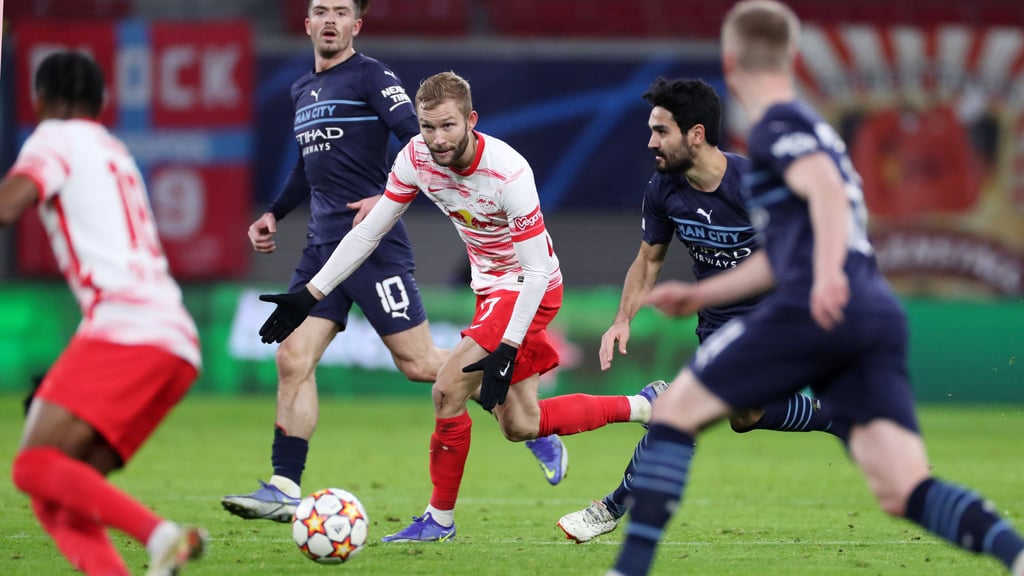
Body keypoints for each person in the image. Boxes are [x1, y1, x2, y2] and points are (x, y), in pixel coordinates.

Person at [607, 2, 1024, 575]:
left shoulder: (779, 125)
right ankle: (1015, 554)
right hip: (873, 309)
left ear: (732, 60)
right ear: (791, 57)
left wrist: (825, 275)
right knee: (902, 487)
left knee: (675, 410)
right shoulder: (815, 129)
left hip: (814, 304)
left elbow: (826, 194)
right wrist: (701, 297)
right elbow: (789, 245)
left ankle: (626, 569)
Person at [257, 70, 667, 543]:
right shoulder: (415, 158)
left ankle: (439, 520)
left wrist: (509, 347)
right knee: (519, 424)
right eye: (427, 126)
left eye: (448, 126)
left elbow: (536, 272)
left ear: (471, 119)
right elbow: (369, 232)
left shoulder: (508, 171)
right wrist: (310, 294)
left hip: (530, 287)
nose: (436, 138)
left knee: (447, 389)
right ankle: (645, 404)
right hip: (490, 291)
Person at [221, 0, 566, 524]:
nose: (330, 19)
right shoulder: (302, 90)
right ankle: (285, 485)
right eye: (321, 9)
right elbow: (306, 163)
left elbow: (419, 134)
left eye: (341, 10)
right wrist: (275, 212)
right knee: (292, 358)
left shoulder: (371, 77)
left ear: (356, 25)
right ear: (308, 22)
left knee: (420, 365)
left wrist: (386, 198)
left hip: (371, 242)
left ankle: (516, 408)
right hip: (324, 246)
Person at [556, 77, 834, 544]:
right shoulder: (664, 189)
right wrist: (623, 318)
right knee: (744, 416)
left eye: (661, 131)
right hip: (719, 324)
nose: (651, 142)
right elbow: (648, 260)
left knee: (681, 407)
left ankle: (609, 508)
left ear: (697, 134)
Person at [4, 51, 206, 576]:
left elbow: (8, 206)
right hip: (175, 340)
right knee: (59, 495)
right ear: (100, 103)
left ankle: (160, 536)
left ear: (41, 99)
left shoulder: (53, 138)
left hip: (126, 326)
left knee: (31, 467)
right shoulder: (112, 148)